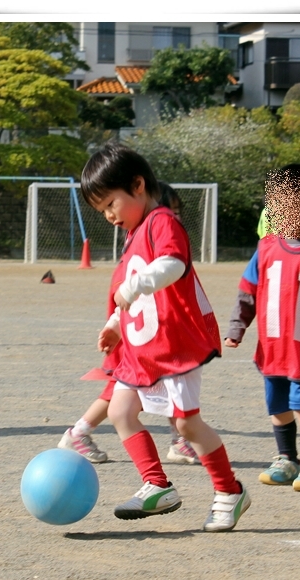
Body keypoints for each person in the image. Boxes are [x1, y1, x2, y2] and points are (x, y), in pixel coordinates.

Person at [79, 142, 251, 531]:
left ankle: (230, 491)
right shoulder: (133, 235)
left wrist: (136, 285)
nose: (108, 216)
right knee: (121, 411)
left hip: (175, 348)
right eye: (101, 210)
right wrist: (115, 326)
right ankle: (157, 485)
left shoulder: (161, 222)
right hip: (142, 350)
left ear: (137, 185)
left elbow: (173, 265)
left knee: (187, 426)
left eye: (110, 204)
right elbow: (139, 305)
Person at [58, 181, 200, 465]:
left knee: (161, 379)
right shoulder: (146, 239)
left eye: (177, 211)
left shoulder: (151, 238)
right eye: (168, 210)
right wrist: (116, 323)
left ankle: (179, 440)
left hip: (145, 329)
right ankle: (79, 432)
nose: (174, 218)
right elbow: (136, 288)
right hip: (135, 330)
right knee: (122, 387)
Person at [224, 163, 300, 492]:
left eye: (292, 205)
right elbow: (248, 294)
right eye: (276, 206)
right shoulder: (266, 248)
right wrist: (236, 327)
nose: (281, 214)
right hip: (273, 350)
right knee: (278, 406)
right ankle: (286, 457)